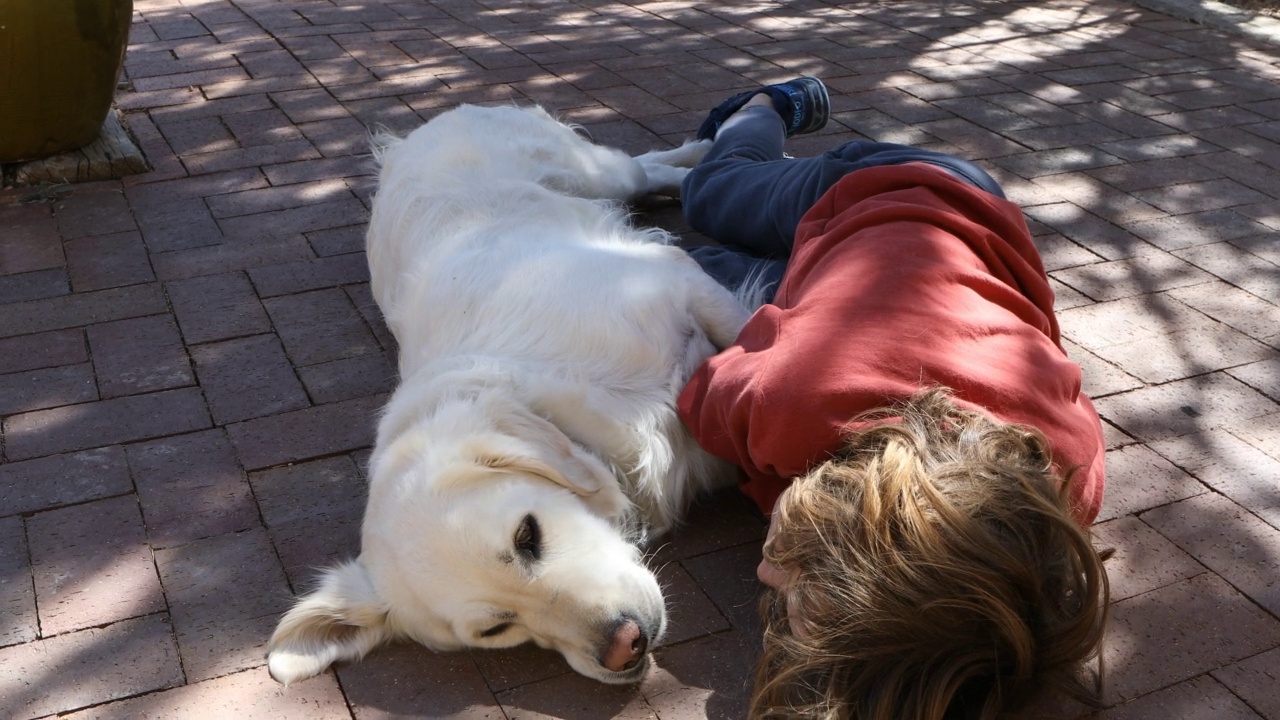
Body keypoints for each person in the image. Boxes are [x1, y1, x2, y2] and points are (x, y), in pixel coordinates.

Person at [674, 77, 1111, 719]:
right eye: (792, 601)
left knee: (723, 270)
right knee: (704, 204)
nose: (764, 580)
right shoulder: (790, 403)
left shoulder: (1060, 488)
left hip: (964, 223)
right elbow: (707, 395)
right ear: (838, 519)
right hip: (881, 187)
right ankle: (768, 107)